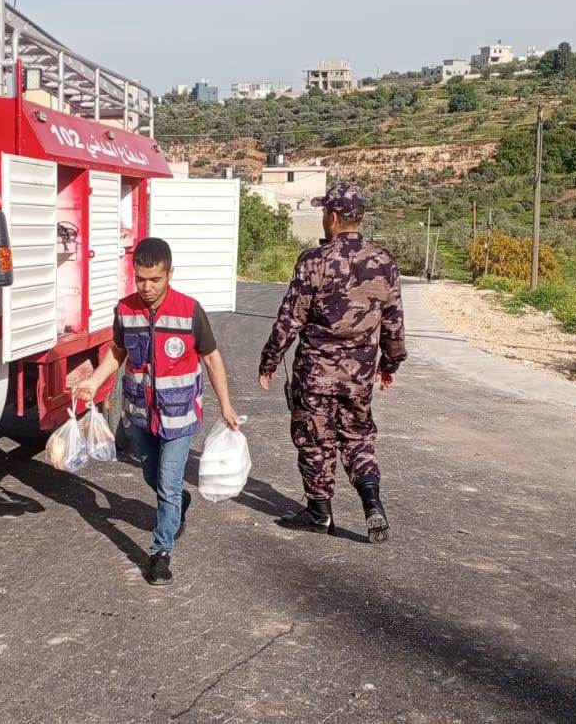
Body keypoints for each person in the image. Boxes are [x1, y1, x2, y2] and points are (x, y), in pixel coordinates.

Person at [75, 237, 239, 586]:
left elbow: (211, 358)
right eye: (141, 279)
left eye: (155, 279)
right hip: (140, 414)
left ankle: (161, 553)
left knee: (166, 482)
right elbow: (117, 352)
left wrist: (226, 405)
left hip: (179, 416)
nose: (147, 287)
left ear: (170, 274)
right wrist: (95, 380)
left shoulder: (189, 311)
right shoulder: (125, 310)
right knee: (153, 477)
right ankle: (180, 499)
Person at [258, 184, 406, 543]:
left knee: (314, 440)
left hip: (315, 375)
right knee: (357, 438)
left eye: (325, 212)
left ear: (334, 217)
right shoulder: (384, 262)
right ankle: (371, 501)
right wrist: (390, 364)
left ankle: (319, 513)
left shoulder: (314, 261)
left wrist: (270, 360)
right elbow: (394, 322)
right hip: (359, 377)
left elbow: (291, 318)